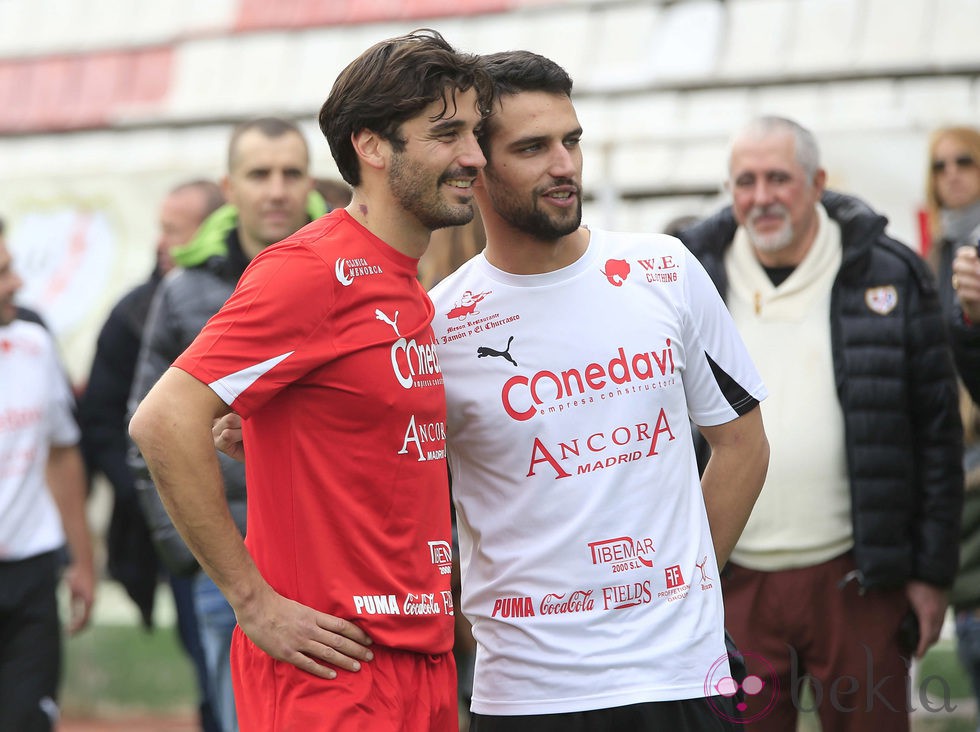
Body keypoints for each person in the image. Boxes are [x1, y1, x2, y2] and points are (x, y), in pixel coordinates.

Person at [129, 30, 493, 731]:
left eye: (475, 134)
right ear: (374, 145)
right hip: (331, 674)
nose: (473, 157)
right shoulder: (311, 269)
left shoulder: (406, 283)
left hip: (421, 658)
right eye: (447, 134)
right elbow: (162, 420)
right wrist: (252, 601)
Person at [427, 51, 769, 731]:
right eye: (533, 147)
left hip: (681, 671)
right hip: (527, 693)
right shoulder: (438, 325)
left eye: (571, 140)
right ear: (476, 165)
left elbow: (742, 445)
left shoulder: (663, 269)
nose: (565, 165)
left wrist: (688, 586)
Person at [677, 115, 964, 731]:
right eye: (745, 181)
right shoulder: (687, 275)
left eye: (778, 178)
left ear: (817, 182)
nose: (761, 197)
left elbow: (935, 435)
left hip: (858, 579)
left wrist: (930, 575)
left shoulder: (889, 271)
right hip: (735, 584)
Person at [127, 117, 325, 732]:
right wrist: (201, 561)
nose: (276, 190)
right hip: (230, 570)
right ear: (229, 187)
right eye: (258, 174)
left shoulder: (353, 273)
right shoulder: (184, 291)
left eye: (291, 174)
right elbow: (148, 434)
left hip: (336, 561)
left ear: (310, 184)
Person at [77, 179, 224, 731]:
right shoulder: (132, 315)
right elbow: (107, 421)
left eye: (175, 229)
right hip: (180, 530)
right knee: (211, 672)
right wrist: (160, 501)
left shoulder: (251, 293)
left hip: (257, 528)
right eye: (161, 228)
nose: (163, 241)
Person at [0, 220, 96, 731]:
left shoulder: (34, 344)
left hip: (32, 575)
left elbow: (63, 453)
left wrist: (81, 560)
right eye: (3, 273)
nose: (16, 283)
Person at [924, 124, 980, 731]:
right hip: (956, 446)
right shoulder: (939, 253)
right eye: (940, 166)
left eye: (964, 161)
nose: (952, 175)